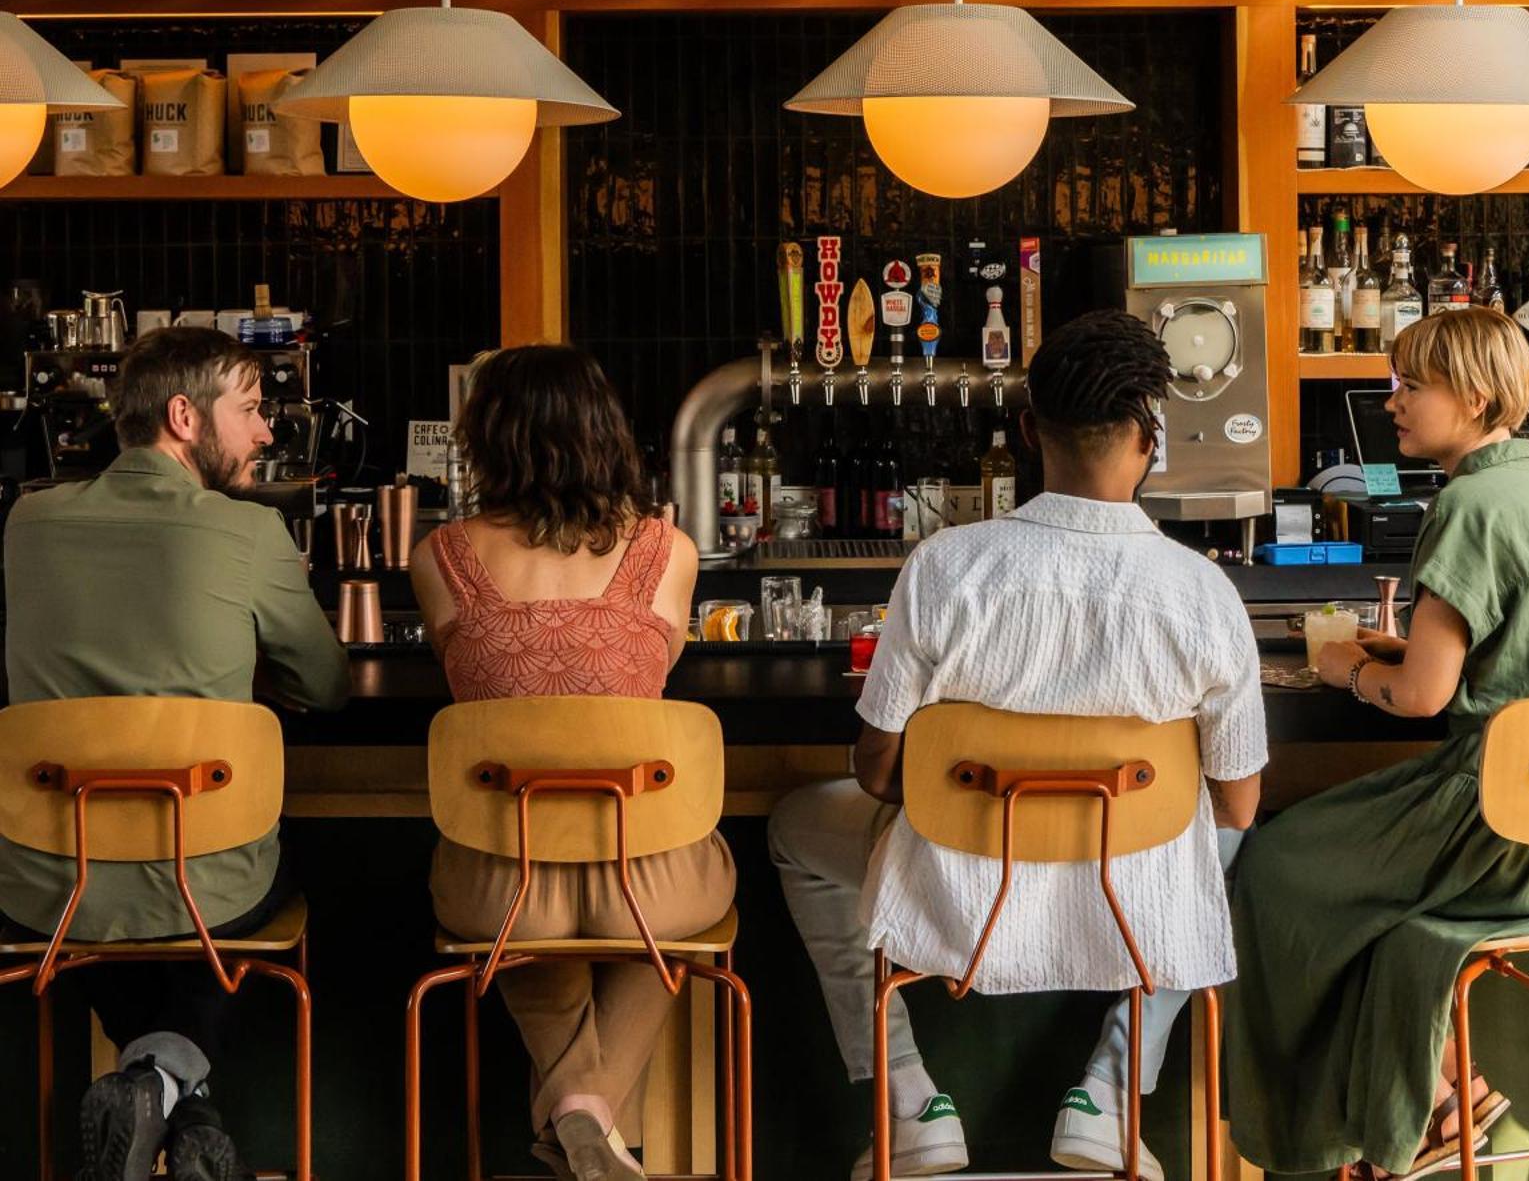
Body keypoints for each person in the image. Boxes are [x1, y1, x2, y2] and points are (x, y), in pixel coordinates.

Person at [766, 309, 1266, 1181]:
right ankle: (1111, 1092)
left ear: (1030, 432)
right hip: (1132, 903)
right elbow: (1239, 802)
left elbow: (878, 771)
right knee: (1217, 842)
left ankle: (910, 1102)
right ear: (1154, 435)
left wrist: (981, 790)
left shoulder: (946, 566)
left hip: (961, 893)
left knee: (793, 829)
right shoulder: (1205, 594)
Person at [1224, 307, 1529, 1180]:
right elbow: (1518, 651)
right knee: (1368, 900)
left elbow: (1422, 698)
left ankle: (1331, 1135)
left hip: (1492, 816)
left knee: (1276, 865)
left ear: (1476, 398)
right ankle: (1439, 1096)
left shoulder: (1469, 504)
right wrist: (1407, 650)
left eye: (1413, 385)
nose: (1391, 400)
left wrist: (1346, 673)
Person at [0, 325, 349, 1181]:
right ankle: (167, 1085)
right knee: (221, 875)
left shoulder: (27, 520)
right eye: (254, 410)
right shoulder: (248, 532)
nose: (268, 434)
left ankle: (157, 1096)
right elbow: (328, 686)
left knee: (115, 901)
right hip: (206, 879)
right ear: (186, 416)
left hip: (48, 875)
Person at [410, 343, 730, 1181]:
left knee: (521, 902)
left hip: (503, 889)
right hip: (647, 888)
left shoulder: (441, 557)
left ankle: (577, 1114)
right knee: (679, 928)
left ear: (486, 438)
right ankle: (589, 1115)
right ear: (606, 434)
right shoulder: (670, 553)